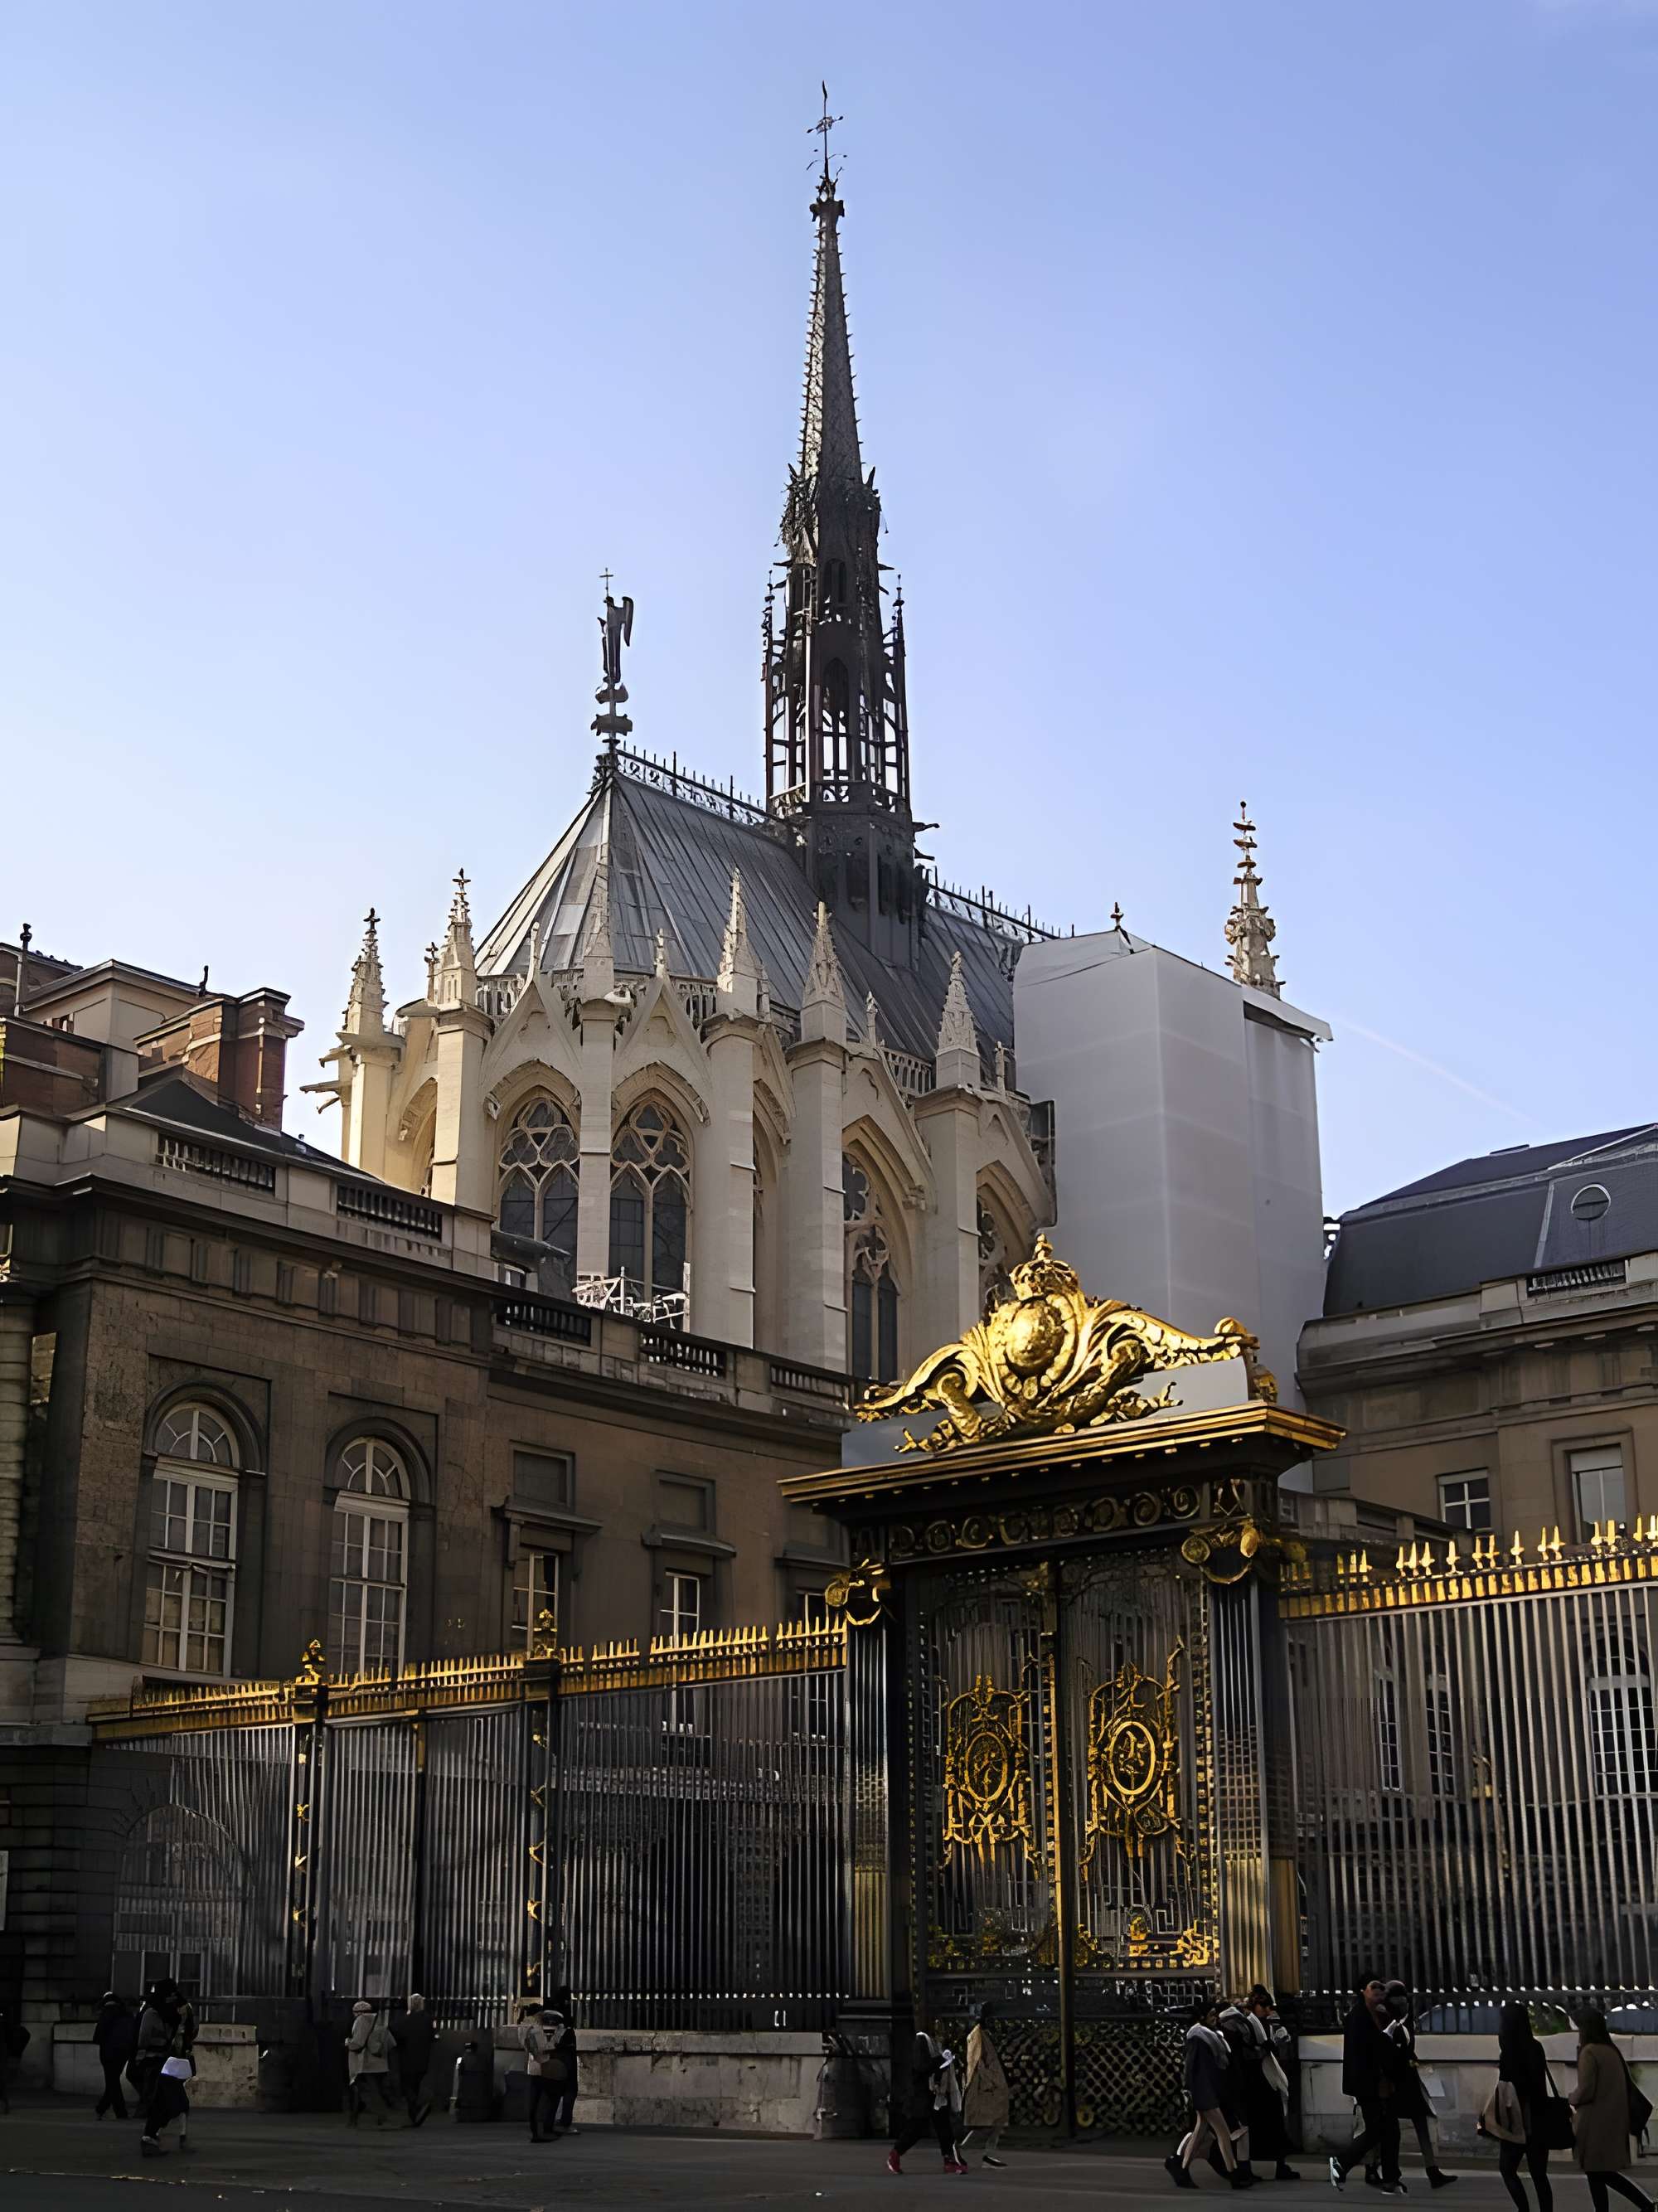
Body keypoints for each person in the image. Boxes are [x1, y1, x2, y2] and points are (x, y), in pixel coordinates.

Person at [1368, 1984, 1455, 2189]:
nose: (1402, 2003)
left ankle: (1374, 2166)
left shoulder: (1394, 2017)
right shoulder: (1391, 2018)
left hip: (1401, 2077)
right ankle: (1428, 2169)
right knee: (1397, 2125)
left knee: (1397, 2124)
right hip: (1397, 2078)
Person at [1569, 2011, 1654, 2212]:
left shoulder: (1589, 2052)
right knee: (1601, 2172)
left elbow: (1586, 2090)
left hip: (1594, 2123)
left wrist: (1572, 2098)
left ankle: (1645, 2204)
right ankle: (1644, 2204)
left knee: (1597, 2172)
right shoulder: (1612, 2051)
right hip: (1613, 2120)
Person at [1329, 1976, 1403, 2195]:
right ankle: (1343, 2162)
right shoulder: (1358, 2016)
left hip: (1384, 2082)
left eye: (1382, 1986)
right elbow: (1363, 2052)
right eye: (1374, 1987)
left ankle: (1390, 2178)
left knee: (1390, 2130)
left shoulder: (1382, 2014)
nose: (1379, 1990)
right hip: (1368, 2083)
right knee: (1378, 2129)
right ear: (1363, 1991)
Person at [1167, 2000, 1250, 2189]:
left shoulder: (1207, 2036)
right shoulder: (1199, 2037)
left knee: (1200, 2134)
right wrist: (1199, 2091)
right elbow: (1193, 2069)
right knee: (1223, 2134)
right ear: (1203, 2017)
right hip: (1205, 2093)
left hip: (1207, 2092)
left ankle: (1183, 2170)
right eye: (1212, 2015)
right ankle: (1233, 2174)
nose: (1215, 2018)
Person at [1227, 1990, 1299, 2181]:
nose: (1267, 2010)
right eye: (1264, 2006)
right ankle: (1271, 2166)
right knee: (1265, 2124)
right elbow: (1249, 2053)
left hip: (1260, 2080)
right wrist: (1267, 2047)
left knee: (1268, 2124)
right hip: (1256, 2080)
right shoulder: (1247, 2024)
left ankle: (1258, 2166)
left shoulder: (1255, 2023)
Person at [1491, 2001, 1554, 2212]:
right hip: (1539, 2116)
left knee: (1507, 2169)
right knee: (1539, 2175)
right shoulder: (1535, 2047)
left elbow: (1506, 2087)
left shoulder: (1509, 2052)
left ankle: (1523, 2209)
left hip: (1515, 2118)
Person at [885, 2026, 967, 2176]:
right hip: (923, 2095)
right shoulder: (921, 2039)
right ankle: (895, 2154)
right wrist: (941, 2061)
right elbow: (921, 2066)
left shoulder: (929, 2042)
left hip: (933, 2095)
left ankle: (950, 2160)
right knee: (917, 2128)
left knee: (942, 2127)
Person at [959, 2001, 1011, 2169]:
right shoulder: (977, 2036)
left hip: (992, 2086)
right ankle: (960, 2150)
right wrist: (991, 2082)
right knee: (985, 2124)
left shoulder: (984, 2035)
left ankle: (989, 2156)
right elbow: (977, 2063)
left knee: (996, 2122)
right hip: (984, 2087)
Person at [344, 1999, 394, 2127]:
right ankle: (357, 2118)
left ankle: (381, 2116)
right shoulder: (379, 2021)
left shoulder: (361, 2021)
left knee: (367, 2091)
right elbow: (391, 2043)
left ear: (358, 2012)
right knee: (376, 2090)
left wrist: (348, 2043)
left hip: (366, 2064)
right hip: (381, 2064)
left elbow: (358, 2043)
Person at [390, 1992, 434, 2127]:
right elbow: (432, 2036)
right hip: (423, 2059)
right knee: (415, 2086)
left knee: (406, 2086)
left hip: (407, 2059)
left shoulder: (405, 2020)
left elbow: (394, 2032)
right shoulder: (428, 2019)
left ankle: (417, 2106)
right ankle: (414, 2116)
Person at [522, 2005, 566, 2144]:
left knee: (536, 2102)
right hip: (544, 2068)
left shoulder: (527, 2029)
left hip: (534, 2069)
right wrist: (556, 2040)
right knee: (546, 2101)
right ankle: (542, 2132)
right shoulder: (536, 2030)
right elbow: (543, 2049)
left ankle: (537, 2132)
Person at [94, 1991, 137, 2119]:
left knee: (112, 2081)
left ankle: (116, 2110)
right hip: (124, 2051)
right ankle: (106, 2108)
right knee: (113, 2080)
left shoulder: (107, 2012)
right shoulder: (127, 2013)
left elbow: (99, 2034)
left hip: (109, 2051)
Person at [550, 1986, 579, 2137]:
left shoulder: (552, 2012)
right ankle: (564, 2122)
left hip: (557, 2054)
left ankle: (553, 2121)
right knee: (570, 2088)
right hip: (566, 2053)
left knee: (557, 2088)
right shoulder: (564, 2013)